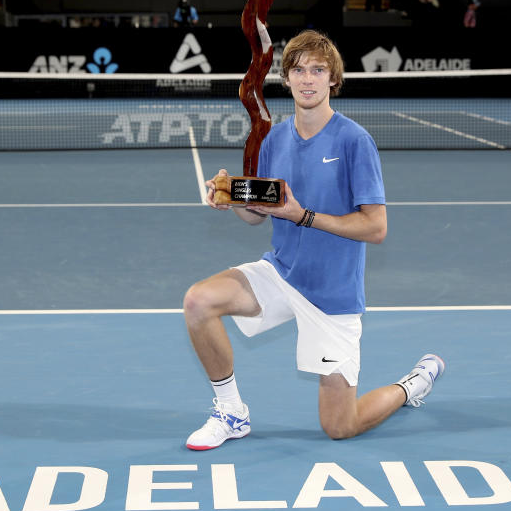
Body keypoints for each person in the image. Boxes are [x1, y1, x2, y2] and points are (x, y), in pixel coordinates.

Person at [182, 30, 443, 450]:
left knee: (340, 426)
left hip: (332, 295)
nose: (307, 79)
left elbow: (376, 228)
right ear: (286, 79)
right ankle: (231, 412)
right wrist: (230, 196)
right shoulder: (274, 139)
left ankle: (411, 385)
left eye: (317, 70)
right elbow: (259, 214)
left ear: (332, 79)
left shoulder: (354, 141)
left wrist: (302, 216)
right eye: (298, 70)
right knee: (198, 301)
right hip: (281, 274)